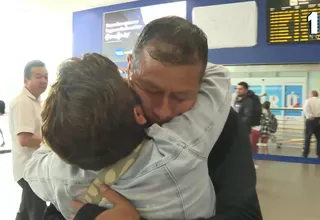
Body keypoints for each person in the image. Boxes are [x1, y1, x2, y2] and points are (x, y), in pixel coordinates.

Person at [42, 16, 262, 220]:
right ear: (130, 67)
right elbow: (53, 208)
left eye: (181, 96)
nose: (163, 110)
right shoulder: (103, 112)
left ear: (201, 84)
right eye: (150, 90)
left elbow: (244, 214)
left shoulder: (225, 124)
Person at [9, 60, 48, 220]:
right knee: (38, 213)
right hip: (28, 170)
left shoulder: (36, 101)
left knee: (26, 212)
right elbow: (24, 139)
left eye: (46, 77)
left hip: (33, 168)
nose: (44, 81)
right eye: (38, 77)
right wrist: (52, 142)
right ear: (26, 80)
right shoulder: (23, 102)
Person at [302, 90, 320, 158]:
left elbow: (305, 109)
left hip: (310, 120)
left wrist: (309, 115)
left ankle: (305, 154)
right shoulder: (319, 101)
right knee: (318, 138)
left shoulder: (308, 100)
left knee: (308, 138)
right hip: (318, 120)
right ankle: (318, 154)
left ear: (312, 94)